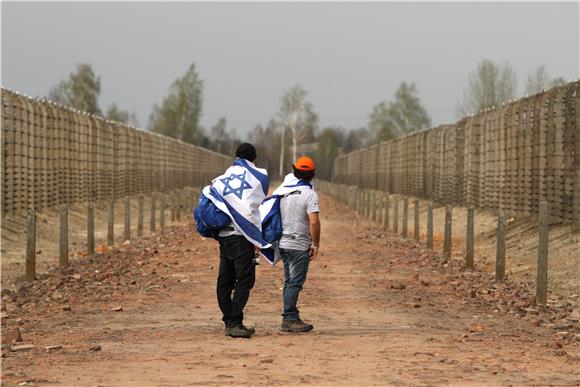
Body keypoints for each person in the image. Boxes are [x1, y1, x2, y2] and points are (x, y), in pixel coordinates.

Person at [209, 143, 270, 339]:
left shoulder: (222, 179)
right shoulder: (254, 180)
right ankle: (234, 322)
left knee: (225, 281)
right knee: (245, 279)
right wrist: (256, 239)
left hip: (224, 236)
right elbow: (250, 211)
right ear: (253, 159)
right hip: (241, 237)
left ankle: (230, 321)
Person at [277, 156, 321, 332]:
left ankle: (291, 315)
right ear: (312, 174)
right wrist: (315, 244)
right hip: (299, 244)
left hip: (284, 243)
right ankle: (289, 318)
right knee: (295, 282)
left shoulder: (284, 192)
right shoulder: (309, 194)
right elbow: (314, 222)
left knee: (289, 281)